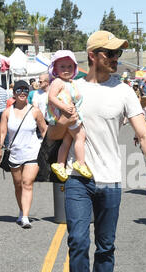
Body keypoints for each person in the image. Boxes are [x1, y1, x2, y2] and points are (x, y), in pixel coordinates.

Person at [46, 30, 146, 272]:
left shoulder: (124, 91)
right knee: (77, 241)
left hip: (111, 179)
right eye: (110, 54)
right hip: (77, 177)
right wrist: (63, 120)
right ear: (94, 55)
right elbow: (54, 136)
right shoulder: (71, 88)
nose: (116, 59)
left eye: (117, 54)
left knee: (106, 246)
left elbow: (143, 134)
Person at [0, 80, 47, 228]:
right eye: (19, 90)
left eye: (25, 90)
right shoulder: (7, 112)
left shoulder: (34, 111)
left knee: (27, 183)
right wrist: (0, 147)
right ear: (13, 94)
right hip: (15, 153)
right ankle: (21, 211)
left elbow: (44, 130)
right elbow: (2, 132)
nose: (22, 93)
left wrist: (48, 150)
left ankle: (25, 217)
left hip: (33, 152)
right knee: (18, 185)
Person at [47, 50, 92, 182]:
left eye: (69, 66)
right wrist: (64, 107)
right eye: (62, 66)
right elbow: (51, 97)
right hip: (67, 114)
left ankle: (60, 164)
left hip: (69, 114)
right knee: (80, 137)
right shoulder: (58, 82)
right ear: (55, 68)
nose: (66, 70)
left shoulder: (71, 82)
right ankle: (80, 162)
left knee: (67, 140)